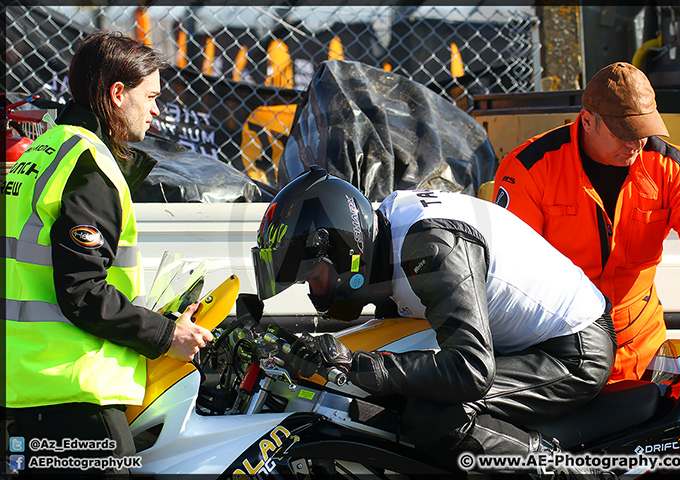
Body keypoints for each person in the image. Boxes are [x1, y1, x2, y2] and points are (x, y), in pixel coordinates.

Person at [251, 166, 617, 475]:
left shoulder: (429, 246)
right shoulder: (387, 238)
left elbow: (471, 369)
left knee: (430, 417)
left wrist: (360, 364)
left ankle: (575, 473)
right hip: (519, 342)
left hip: (572, 351)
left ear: (346, 253)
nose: (315, 291)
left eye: (314, 277)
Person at [4, 31, 213, 478]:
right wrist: (165, 335)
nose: (157, 110)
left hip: (29, 386)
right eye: (151, 96)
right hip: (74, 392)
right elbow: (84, 291)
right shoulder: (89, 164)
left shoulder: (42, 152)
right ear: (118, 94)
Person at [492, 62, 680, 383]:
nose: (635, 143)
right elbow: (509, 270)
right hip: (557, 351)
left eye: (643, 131)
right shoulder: (531, 167)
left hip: (641, 348)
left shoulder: (674, 168)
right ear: (587, 121)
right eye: (624, 133)